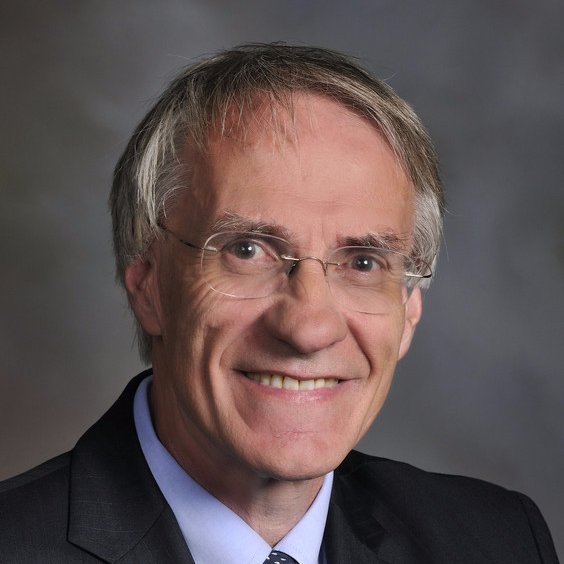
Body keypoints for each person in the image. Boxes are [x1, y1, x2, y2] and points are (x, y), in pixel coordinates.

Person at [0, 43, 558, 564]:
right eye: (247, 250)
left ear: (409, 313)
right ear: (148, 287)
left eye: (364, 262)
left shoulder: (500, 541)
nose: (308, 328)